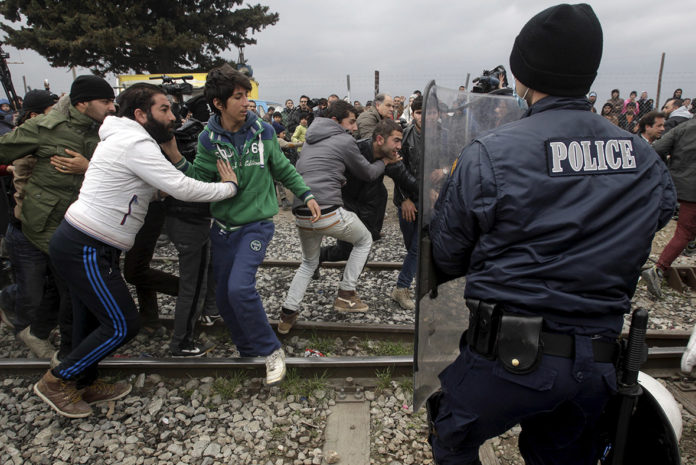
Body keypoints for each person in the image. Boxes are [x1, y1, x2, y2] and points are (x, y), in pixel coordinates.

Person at [426, 4, 676, 464]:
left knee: (452, 436)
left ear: (523, 75)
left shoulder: (491, 153)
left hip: (505, 360)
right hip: (599, 361)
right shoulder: (641, 155)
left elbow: (446, 252)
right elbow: (659, 215)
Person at [34, 83, 239, 418]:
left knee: (90, 320)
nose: (172, 116)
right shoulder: (135, 141)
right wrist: (228, 188)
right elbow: (179, 186)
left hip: (89, 243)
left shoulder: (125, 137)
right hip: (86, 245)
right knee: (121, 325)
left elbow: (147, 187)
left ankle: (83, 381)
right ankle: (58, 381)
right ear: (141, 114)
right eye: (164, 110)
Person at [165, 64, 320, 386]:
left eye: (246, 95)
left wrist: (305, 194)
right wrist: (176, 157)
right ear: (219, 104)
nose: (246, 102)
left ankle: (271, 349)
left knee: (239, 288)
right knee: (223, 297)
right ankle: (248, 348)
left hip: (256, 225)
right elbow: (198, 180)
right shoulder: (209, 138)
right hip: (221, 229)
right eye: (238, 97)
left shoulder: (262, 131)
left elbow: (280, 166)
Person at [0, 76, 116, 362]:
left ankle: (67, 345)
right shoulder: (44, 127)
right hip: (46, 225)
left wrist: (87, 167)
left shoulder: (105, 129)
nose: (112, 107)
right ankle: (68, 357)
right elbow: (5, 150)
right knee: (68, 289)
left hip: (79, 222)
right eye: (105, 101)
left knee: (67, 288)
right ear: (82, 103)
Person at [280, 110, 402, 333]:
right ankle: (346, 294)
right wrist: (384, 161)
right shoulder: (345, 139)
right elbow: (367, 173)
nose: (355, 128)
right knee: (365, 240)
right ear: (335, 121)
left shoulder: (308, 140)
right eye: (352, 122)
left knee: (308, 263)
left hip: (301, 210)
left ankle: (287, 314)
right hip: (326, 208)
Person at [642, 116, 696, 298]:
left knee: (686, 230)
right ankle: (658, 268)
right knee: (685, 232)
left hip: (679, 184)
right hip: (693, 190)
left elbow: (658, 148)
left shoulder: (683, 128)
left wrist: (672, 168)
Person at [389, 96, 423, 310]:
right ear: (413, 113)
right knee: (412, 246)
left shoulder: (441, 135)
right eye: (419, 112)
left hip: (429, 200)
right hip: (408, 200)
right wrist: (405, 200)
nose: (424, 116)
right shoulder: (406, 136)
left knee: (419, 247)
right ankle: (418, 285)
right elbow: (395, 169)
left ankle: (401, 288)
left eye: (429, 111)